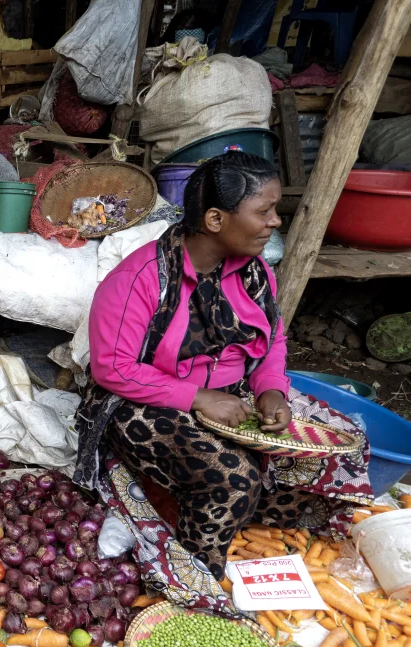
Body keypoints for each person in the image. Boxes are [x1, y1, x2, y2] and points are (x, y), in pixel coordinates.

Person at [74, 152, 373, 609]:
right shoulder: (139, 278)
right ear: (215, 218)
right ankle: (195, 579)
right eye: (263, 210)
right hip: (145, 400)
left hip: (232, 399)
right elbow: (114, 368)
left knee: (342, 450)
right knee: (231, 477)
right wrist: (195, 397)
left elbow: (272, 341)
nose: (274, 221)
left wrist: (271, 390)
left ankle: (216, 506)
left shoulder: (256, 275)